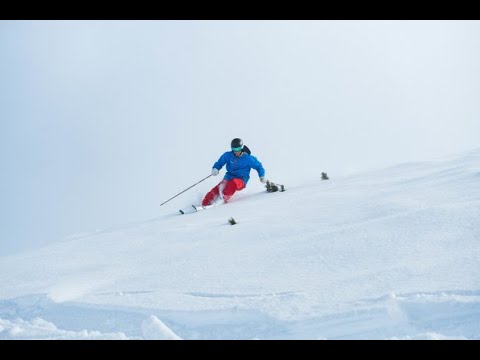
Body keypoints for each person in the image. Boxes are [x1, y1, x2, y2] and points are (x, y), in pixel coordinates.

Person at [202, 138, 266, 206]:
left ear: (241, 148)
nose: (236, 151)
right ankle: (205, 203)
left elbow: (259, 166)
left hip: (241, 180)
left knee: (233, 182)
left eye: (238, 149)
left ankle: (223, 199)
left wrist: (262, 176)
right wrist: (215, 169)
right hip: (228, 177)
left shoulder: (248, 158)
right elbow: (219, 163)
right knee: (218, 188)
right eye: (234, 149)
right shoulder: (228, 155)